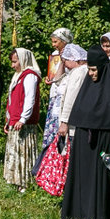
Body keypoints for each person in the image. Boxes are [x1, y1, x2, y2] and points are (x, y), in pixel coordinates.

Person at [60, 46, 110, 219]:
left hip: (104, 142)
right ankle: (81, 212)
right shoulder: (88, 86)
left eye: (93, 70)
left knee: (101, 179)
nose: (91, 74)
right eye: (89, 69)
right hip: (85, 141)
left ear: (102, 67)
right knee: (84, 177)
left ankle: (100, 214)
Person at [37, 43, 86, 196]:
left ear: (74, 59)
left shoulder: (79, 72)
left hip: (71, 123)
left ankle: (67, 188)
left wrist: (64, 122)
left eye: (66, 60)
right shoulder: (76, 71)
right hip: (71, 121)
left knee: (69, 156)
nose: (64, 64)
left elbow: (70, 98)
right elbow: (57, 80)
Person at [3, 48, 42, 191]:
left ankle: (25, 181)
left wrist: (23, 118)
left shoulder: (29, 76)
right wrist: (8, 120)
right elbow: (12, 99)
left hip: (24, 123)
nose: (13, 65)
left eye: (15, 62)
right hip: (16, 120)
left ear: (23, 60)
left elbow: (29, 99)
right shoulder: (18, 75)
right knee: (16, 150)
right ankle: (15, 179)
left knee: (23, 151)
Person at [37, 28, 74, 172]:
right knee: (51, 132)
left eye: (56, 41)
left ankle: (60, 167)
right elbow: (54, 75)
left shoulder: (72, 55)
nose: (53, 44)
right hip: (55, 96)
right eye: (52, 41)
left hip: (64, 97)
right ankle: (48, 165)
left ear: (64, 41)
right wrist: (50, 79)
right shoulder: (54, 55)